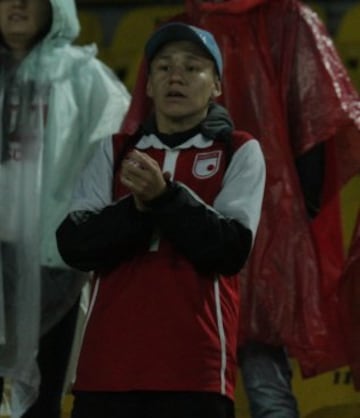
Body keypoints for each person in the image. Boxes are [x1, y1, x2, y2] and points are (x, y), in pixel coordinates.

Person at [56, 22, 266, 418]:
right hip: (106, 371)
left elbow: (229, 250)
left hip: (194, 372)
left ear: (216, 85)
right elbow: (75, 244)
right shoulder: (114, 150)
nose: (176, 76)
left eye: (192, 67)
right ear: (148, 86)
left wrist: (164, 198)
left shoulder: (239, 150)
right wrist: (140, 208)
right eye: (163, 67)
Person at [170, 1, 360, 417]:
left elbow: (316, 121)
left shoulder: (280, 21)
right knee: (250, 367)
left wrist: (298, 213)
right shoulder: (284, 21)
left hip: (249, 219)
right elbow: (318, 122)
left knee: (246, 360)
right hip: (257, 218)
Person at [0, 0, 130, 417]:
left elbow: (113, 155)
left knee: (44, 396)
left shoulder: (83, 76)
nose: (17, 4)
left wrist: (80, 234)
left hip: (54, 263)